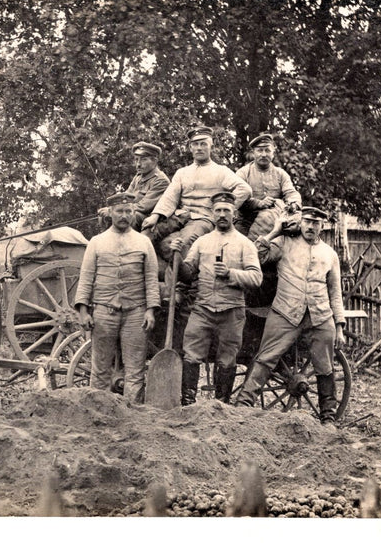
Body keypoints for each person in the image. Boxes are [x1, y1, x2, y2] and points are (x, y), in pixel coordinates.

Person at [234, 207, 347, 424]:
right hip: (285, 312)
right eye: (307, 222)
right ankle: (243, 406)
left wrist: (339, 326)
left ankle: (328, 416)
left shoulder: (330, 255)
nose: (311, 227)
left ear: (322, 226)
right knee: (266, 357)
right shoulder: (285, 244)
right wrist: (275, 231)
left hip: (320, 315)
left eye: (316, 223)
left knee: (325, 366)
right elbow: (255, 256)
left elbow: (335, 292)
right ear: (300, 223)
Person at [169, 191, 263, 405]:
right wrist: (177, 254)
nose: (222, 214)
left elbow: (256, 277)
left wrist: (231, 273)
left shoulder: (244, 244)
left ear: (233, 214)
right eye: (218, 210)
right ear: (212, 214)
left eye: (226, 211)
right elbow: (188, 273)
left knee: (227, 359)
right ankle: (188, 404)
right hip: (203, 309)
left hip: (232, 310)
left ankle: (221, 405)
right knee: (191, 354)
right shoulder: (202, 242)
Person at [74, 192, 160, 403]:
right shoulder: (96, 242)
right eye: (119, 211)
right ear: (110, 213)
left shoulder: (143, 242)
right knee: (100, 368)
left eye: (128, 211)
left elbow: (151, 278)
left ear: (134, 213)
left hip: (136, 314)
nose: (124, 215)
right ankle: (99, 411)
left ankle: (133, 415)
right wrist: (83, 311)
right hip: (104, 312)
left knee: (135, 369)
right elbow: (86, 278)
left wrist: (150, 310)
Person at [141, 126, 252, 265]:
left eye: (203, 144)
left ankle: (184, 281)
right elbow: (170, 197)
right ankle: (148, 271)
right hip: (180, 215)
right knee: (147, 232)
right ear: (190, 148)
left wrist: (222, 210)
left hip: (203, 218)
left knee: (183, 243)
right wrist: (155, 216)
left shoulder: (221, 171)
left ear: (211, 146)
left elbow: (244, 189)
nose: (199, 148)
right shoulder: (182, 172)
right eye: (195, 144)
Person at [234, 133, 302, 240]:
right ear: (253, 153)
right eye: (260, 150)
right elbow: (236, 199)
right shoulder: (243, 173)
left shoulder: (280, 174)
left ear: (273, 153)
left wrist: (294, 203)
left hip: (273, 220)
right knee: (237, 246)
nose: (264, 154)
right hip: (246, 221)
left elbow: (291, 192)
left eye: (267, 150)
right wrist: (258, 203)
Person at [98, 141, 170, 227]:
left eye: (143, 159)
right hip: (134, 212)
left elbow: (144, 207)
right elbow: (126, 197)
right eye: (136, 159)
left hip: (150, 219)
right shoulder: (138, 177)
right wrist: (112, 209)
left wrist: (117, 211)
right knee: (105, 215)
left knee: (129, 217)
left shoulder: (161, 180)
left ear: (154, 161)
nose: (138, 164)